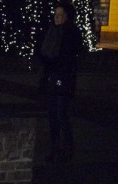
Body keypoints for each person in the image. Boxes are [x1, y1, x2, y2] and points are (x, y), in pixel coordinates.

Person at [38, 1, 81, 163]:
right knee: (52, 115)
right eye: (56, 14)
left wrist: (53, 65)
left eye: (61, 15)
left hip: (63, 79)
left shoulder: (71, 33)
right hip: (50, 78)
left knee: (61, 114)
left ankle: (67, 150)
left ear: (67, 17)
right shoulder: (51, 31)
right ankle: (55, 148)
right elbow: (44, 51)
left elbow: (67, 58)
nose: (57, 17)